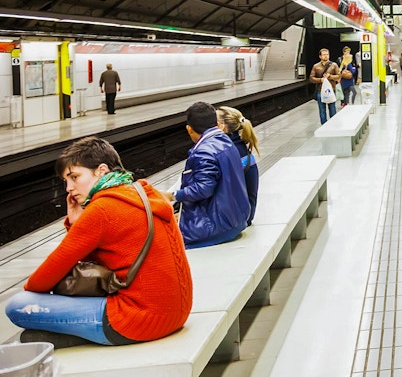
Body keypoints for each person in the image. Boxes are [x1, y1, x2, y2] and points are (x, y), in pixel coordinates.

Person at [5, 137, 192, 348]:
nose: (69, 188)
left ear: (101, 170)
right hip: (177, 312)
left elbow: (41, 280)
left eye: (75, 177)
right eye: (66, 181)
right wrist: (76, 223)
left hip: (141, 319)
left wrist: (34, 292)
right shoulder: (143, 192)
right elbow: (95, 258)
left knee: (18, 305)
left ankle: (85, 333)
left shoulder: (102, 209)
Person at [166, 102, 249, 248]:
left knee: (159, 239)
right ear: (216, 124)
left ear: (189, 129)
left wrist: (172, 196)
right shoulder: (227, 142)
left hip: (214, 229)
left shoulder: (203, 152)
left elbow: (203, 189)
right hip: (236, 220)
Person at [217, 106, 259, 227]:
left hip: (238, 220)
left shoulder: (230, 153)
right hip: (246, 214)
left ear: (222, 127)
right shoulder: (240, 149)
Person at [309, 48, 341, 124]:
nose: (326, 56)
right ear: (320, 56)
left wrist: (330, 76)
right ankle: (324, 125)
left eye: (327, 54)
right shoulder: (316, 66)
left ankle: (333, 124)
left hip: (331, 90)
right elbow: (311, 78)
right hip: (320, 90)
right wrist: (320, 80)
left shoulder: (333, 65)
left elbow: (339, 76)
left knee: (332, 108)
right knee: (322, 109)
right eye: (324, 55)